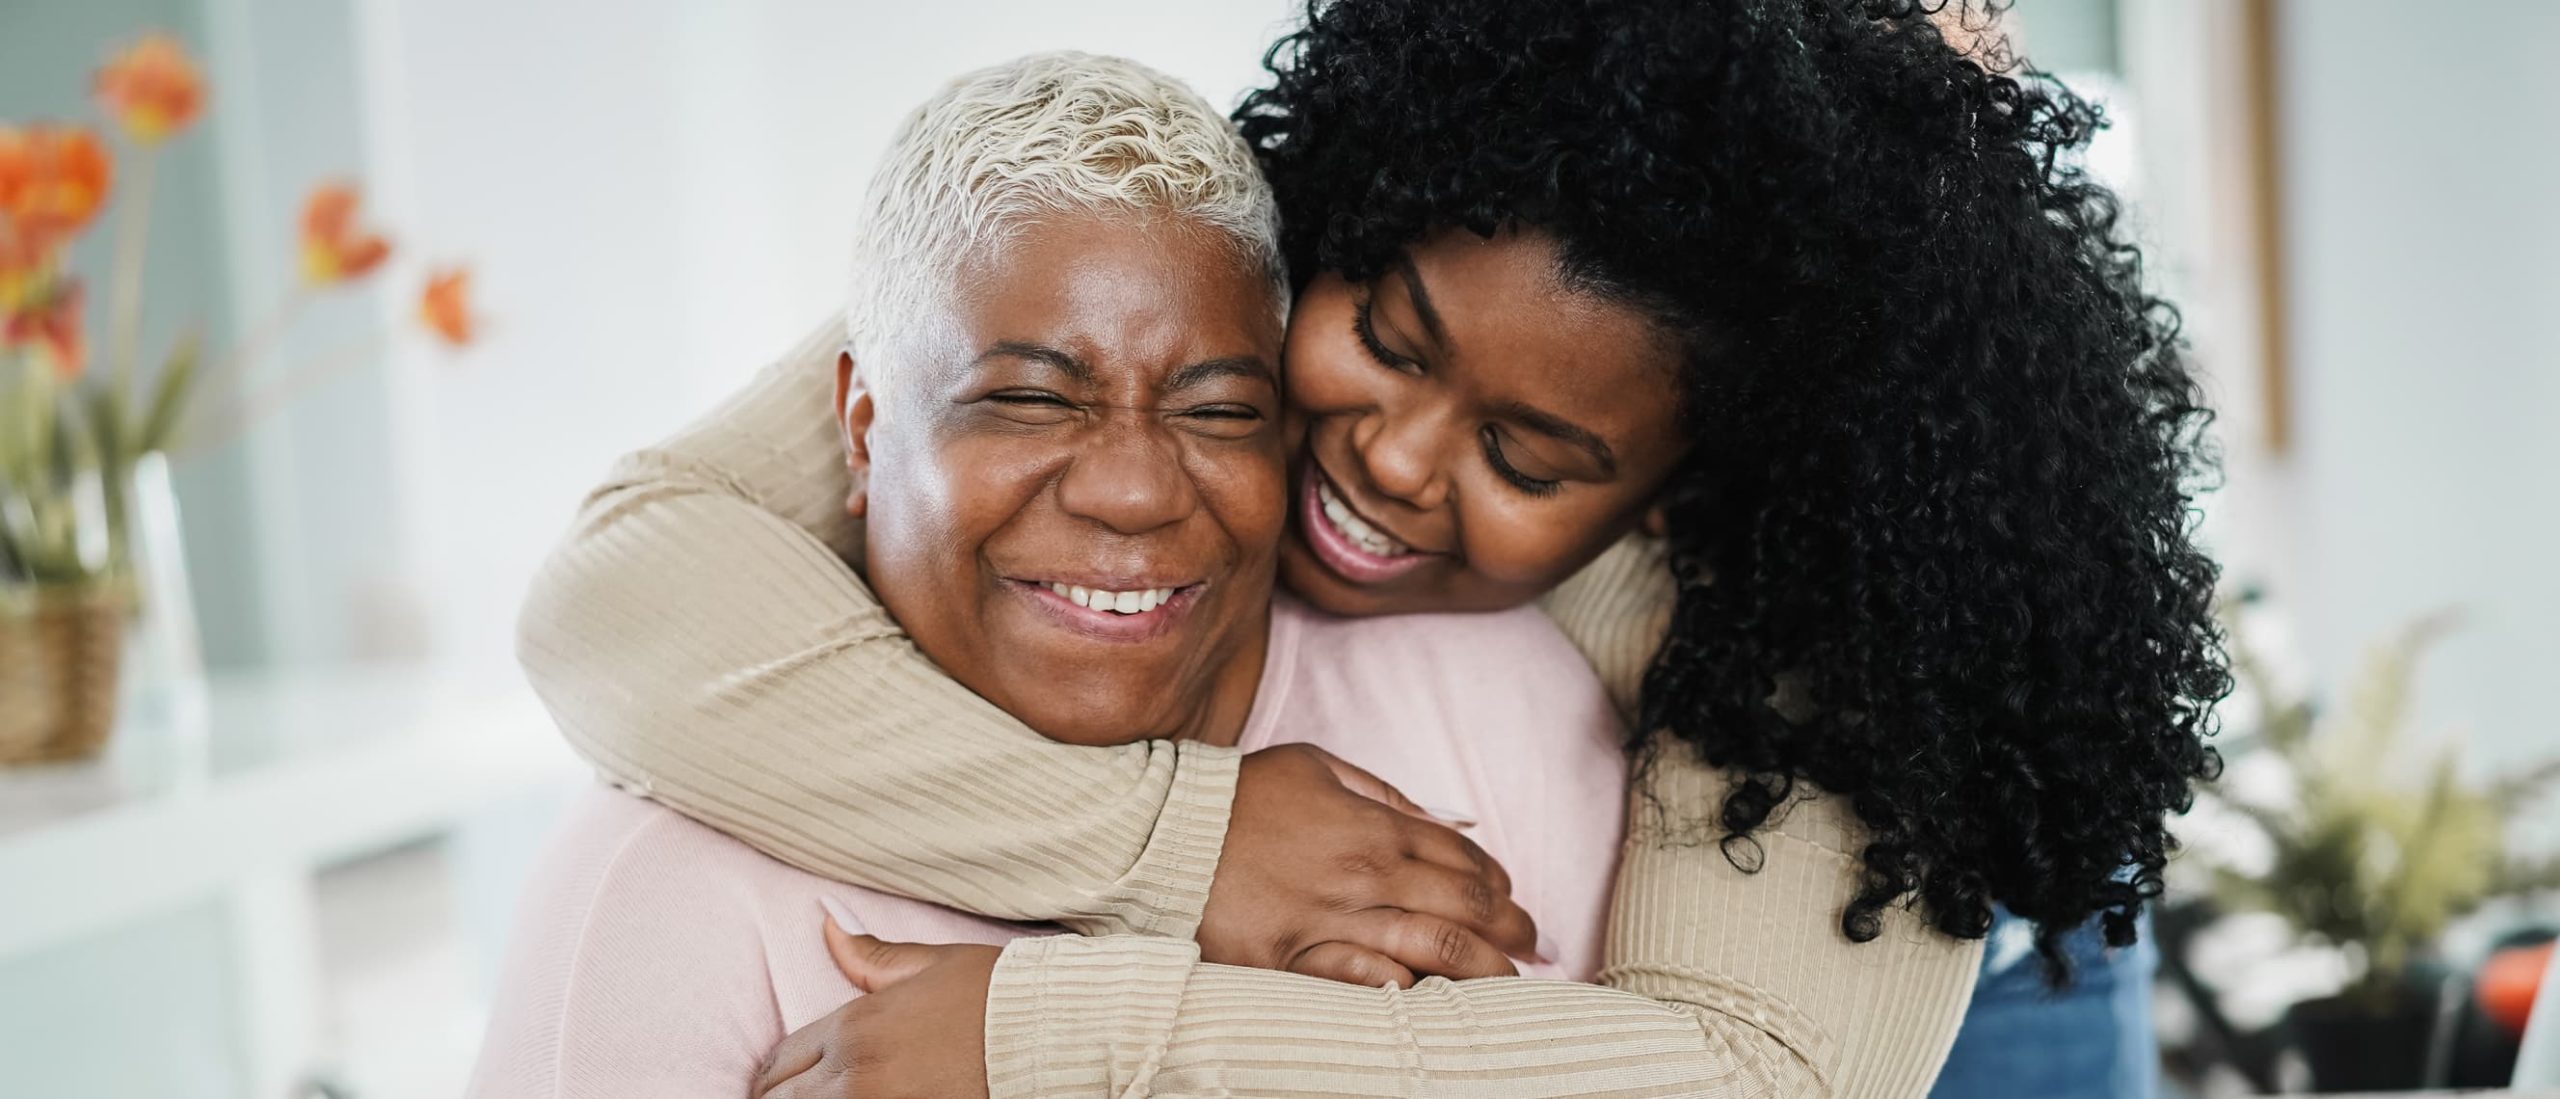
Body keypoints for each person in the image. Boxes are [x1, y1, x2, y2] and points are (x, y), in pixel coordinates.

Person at [521, 1, 2227, 1094]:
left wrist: (1057, 1030)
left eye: (1524, 452)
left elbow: (1751, 1078)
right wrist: (1181, 846)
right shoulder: (1214, 246)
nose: (1387, 455)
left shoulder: (1833, 605)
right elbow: (620, 587)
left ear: (1675, 488)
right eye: (1390, 337)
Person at [468, 53, 1629, 1099]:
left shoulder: (1500, 705)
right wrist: (1187, 849)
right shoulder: (656, 898)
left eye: (1219, 410)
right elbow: (596, 596)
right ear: (863, 433)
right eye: (1026, 398)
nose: (1131, 489)